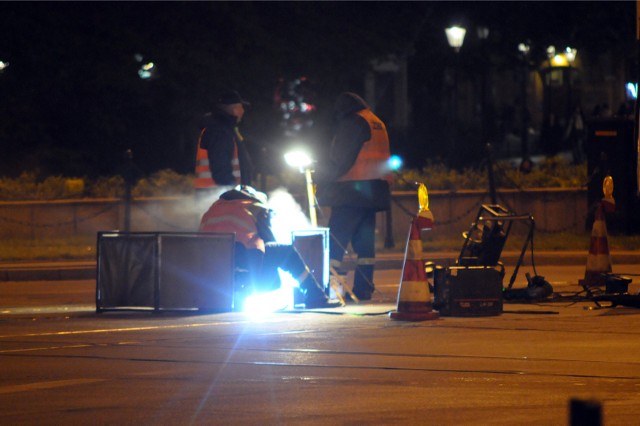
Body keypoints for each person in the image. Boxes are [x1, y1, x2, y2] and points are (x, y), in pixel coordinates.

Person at [199, 185, 341, 309]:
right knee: (286, 251)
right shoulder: (253, 207)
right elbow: (269, 240)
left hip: (213, 274)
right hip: (247, 268)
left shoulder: (211, 210)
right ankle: (315, 296)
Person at [316, 92, 392, 301]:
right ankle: (364, 288)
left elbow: (341, 159)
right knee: (365, 247)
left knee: (336, 242)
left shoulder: (354, 122)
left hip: (351, 191)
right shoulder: (375, 121)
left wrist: (321, 177)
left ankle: (329, 290)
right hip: (372, 192)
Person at [193, 90, 254, 200]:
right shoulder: (220, 130)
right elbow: (221, 167)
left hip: (216, 197)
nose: (243, 111)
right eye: (241, 107)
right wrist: (234, 194)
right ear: (234, 110)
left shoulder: (221, 128)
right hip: (221, 199)